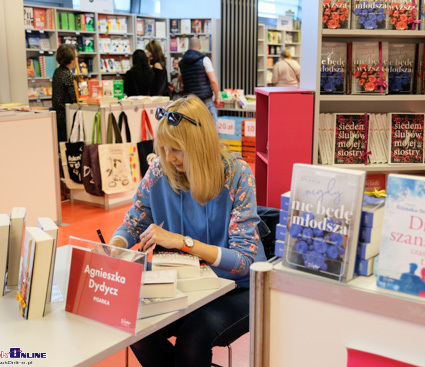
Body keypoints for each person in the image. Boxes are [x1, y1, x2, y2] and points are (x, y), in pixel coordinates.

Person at [109, 95, 266, 366]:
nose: (169, 158)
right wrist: (114, 246)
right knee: (135, 326)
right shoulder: (160, 169)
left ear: (199, 145)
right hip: (183, 284)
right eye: (163, 148)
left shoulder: (237, 174)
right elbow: (134, 222)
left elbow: (242, 262)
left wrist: (182, 242)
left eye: (177, 150)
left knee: (193, 337)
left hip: (237, 289)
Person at [178, 37, 220, 122]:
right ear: (200, 47)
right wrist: (217, 97)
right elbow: (213, 81)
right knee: (211, 124)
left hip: (189, 99)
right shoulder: (204, 60)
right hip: (205, 98)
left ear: (189, 46)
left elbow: (180, 79)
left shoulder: (182, 62)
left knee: (193, 125)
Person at [52, 44, 78, 143]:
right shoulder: (68, 75)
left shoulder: (57, 71)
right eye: (76, 57)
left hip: (58, 115)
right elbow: (74, 98)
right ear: (71, 60)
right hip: (66, 116)